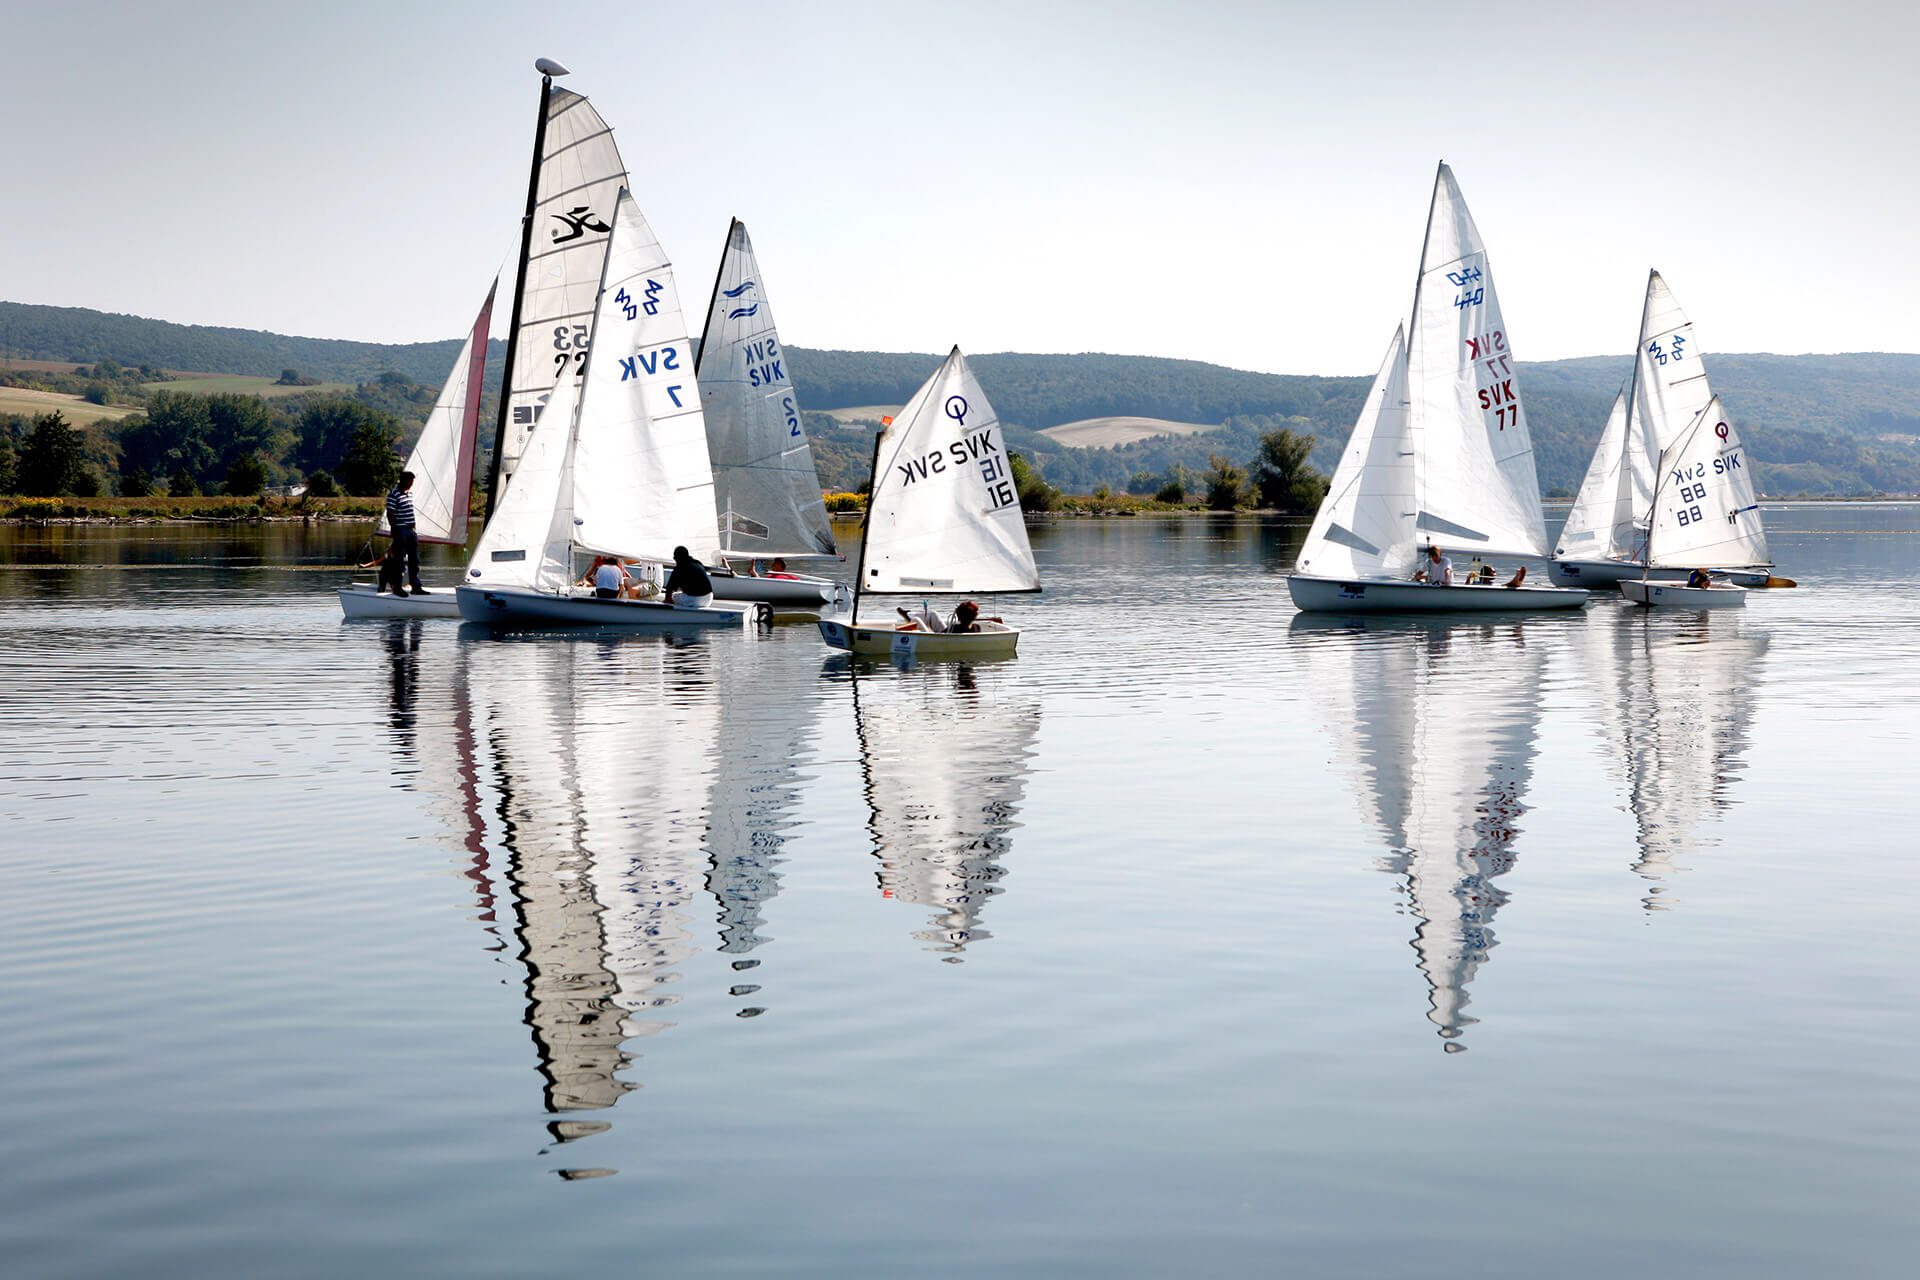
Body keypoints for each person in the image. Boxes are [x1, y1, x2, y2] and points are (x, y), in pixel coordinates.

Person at [385, 471, 424, 595]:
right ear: (403, 480)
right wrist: (395, 529)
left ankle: (416, 586)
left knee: (414, 559)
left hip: (410, 529)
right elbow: (390, 514)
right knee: (399, 559)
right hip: (400, 529)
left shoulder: (409, 494)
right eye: (410, 481)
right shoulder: (393, 494)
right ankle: (397, 587)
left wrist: (413, 527)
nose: (411, 484)